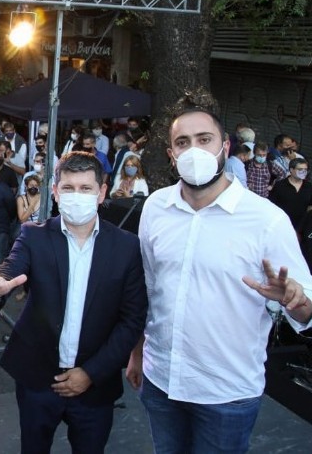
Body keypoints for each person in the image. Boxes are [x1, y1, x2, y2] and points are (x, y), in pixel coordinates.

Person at [126, 107, 312, 454]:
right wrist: (136, 354)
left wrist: (294, 301)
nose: (193, 150)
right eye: (183, 142)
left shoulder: (266, 220)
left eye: (204, 139)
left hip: (227, 393)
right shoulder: (155, 207)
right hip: (161, 380)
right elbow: (148, 288)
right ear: (171, 154)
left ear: (224, 147)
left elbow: (306, 309)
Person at [0, 152, 147, 454]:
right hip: (38, 378)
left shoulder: (127, 247)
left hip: (95, 385)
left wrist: (90, 373)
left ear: (101, 192)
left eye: (85, 188)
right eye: (68, 188)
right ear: (54, 191)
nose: (76, 195)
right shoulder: (33, 236)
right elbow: (10, 271)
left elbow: (131, 320)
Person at [269, 158, 312, 231]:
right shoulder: (280, 185)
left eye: (305, 170)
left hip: (301, 229)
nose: (303, 172)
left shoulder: (309, 187)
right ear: (291, 170)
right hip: (281, 226)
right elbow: (271, 205)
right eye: (300, 169)